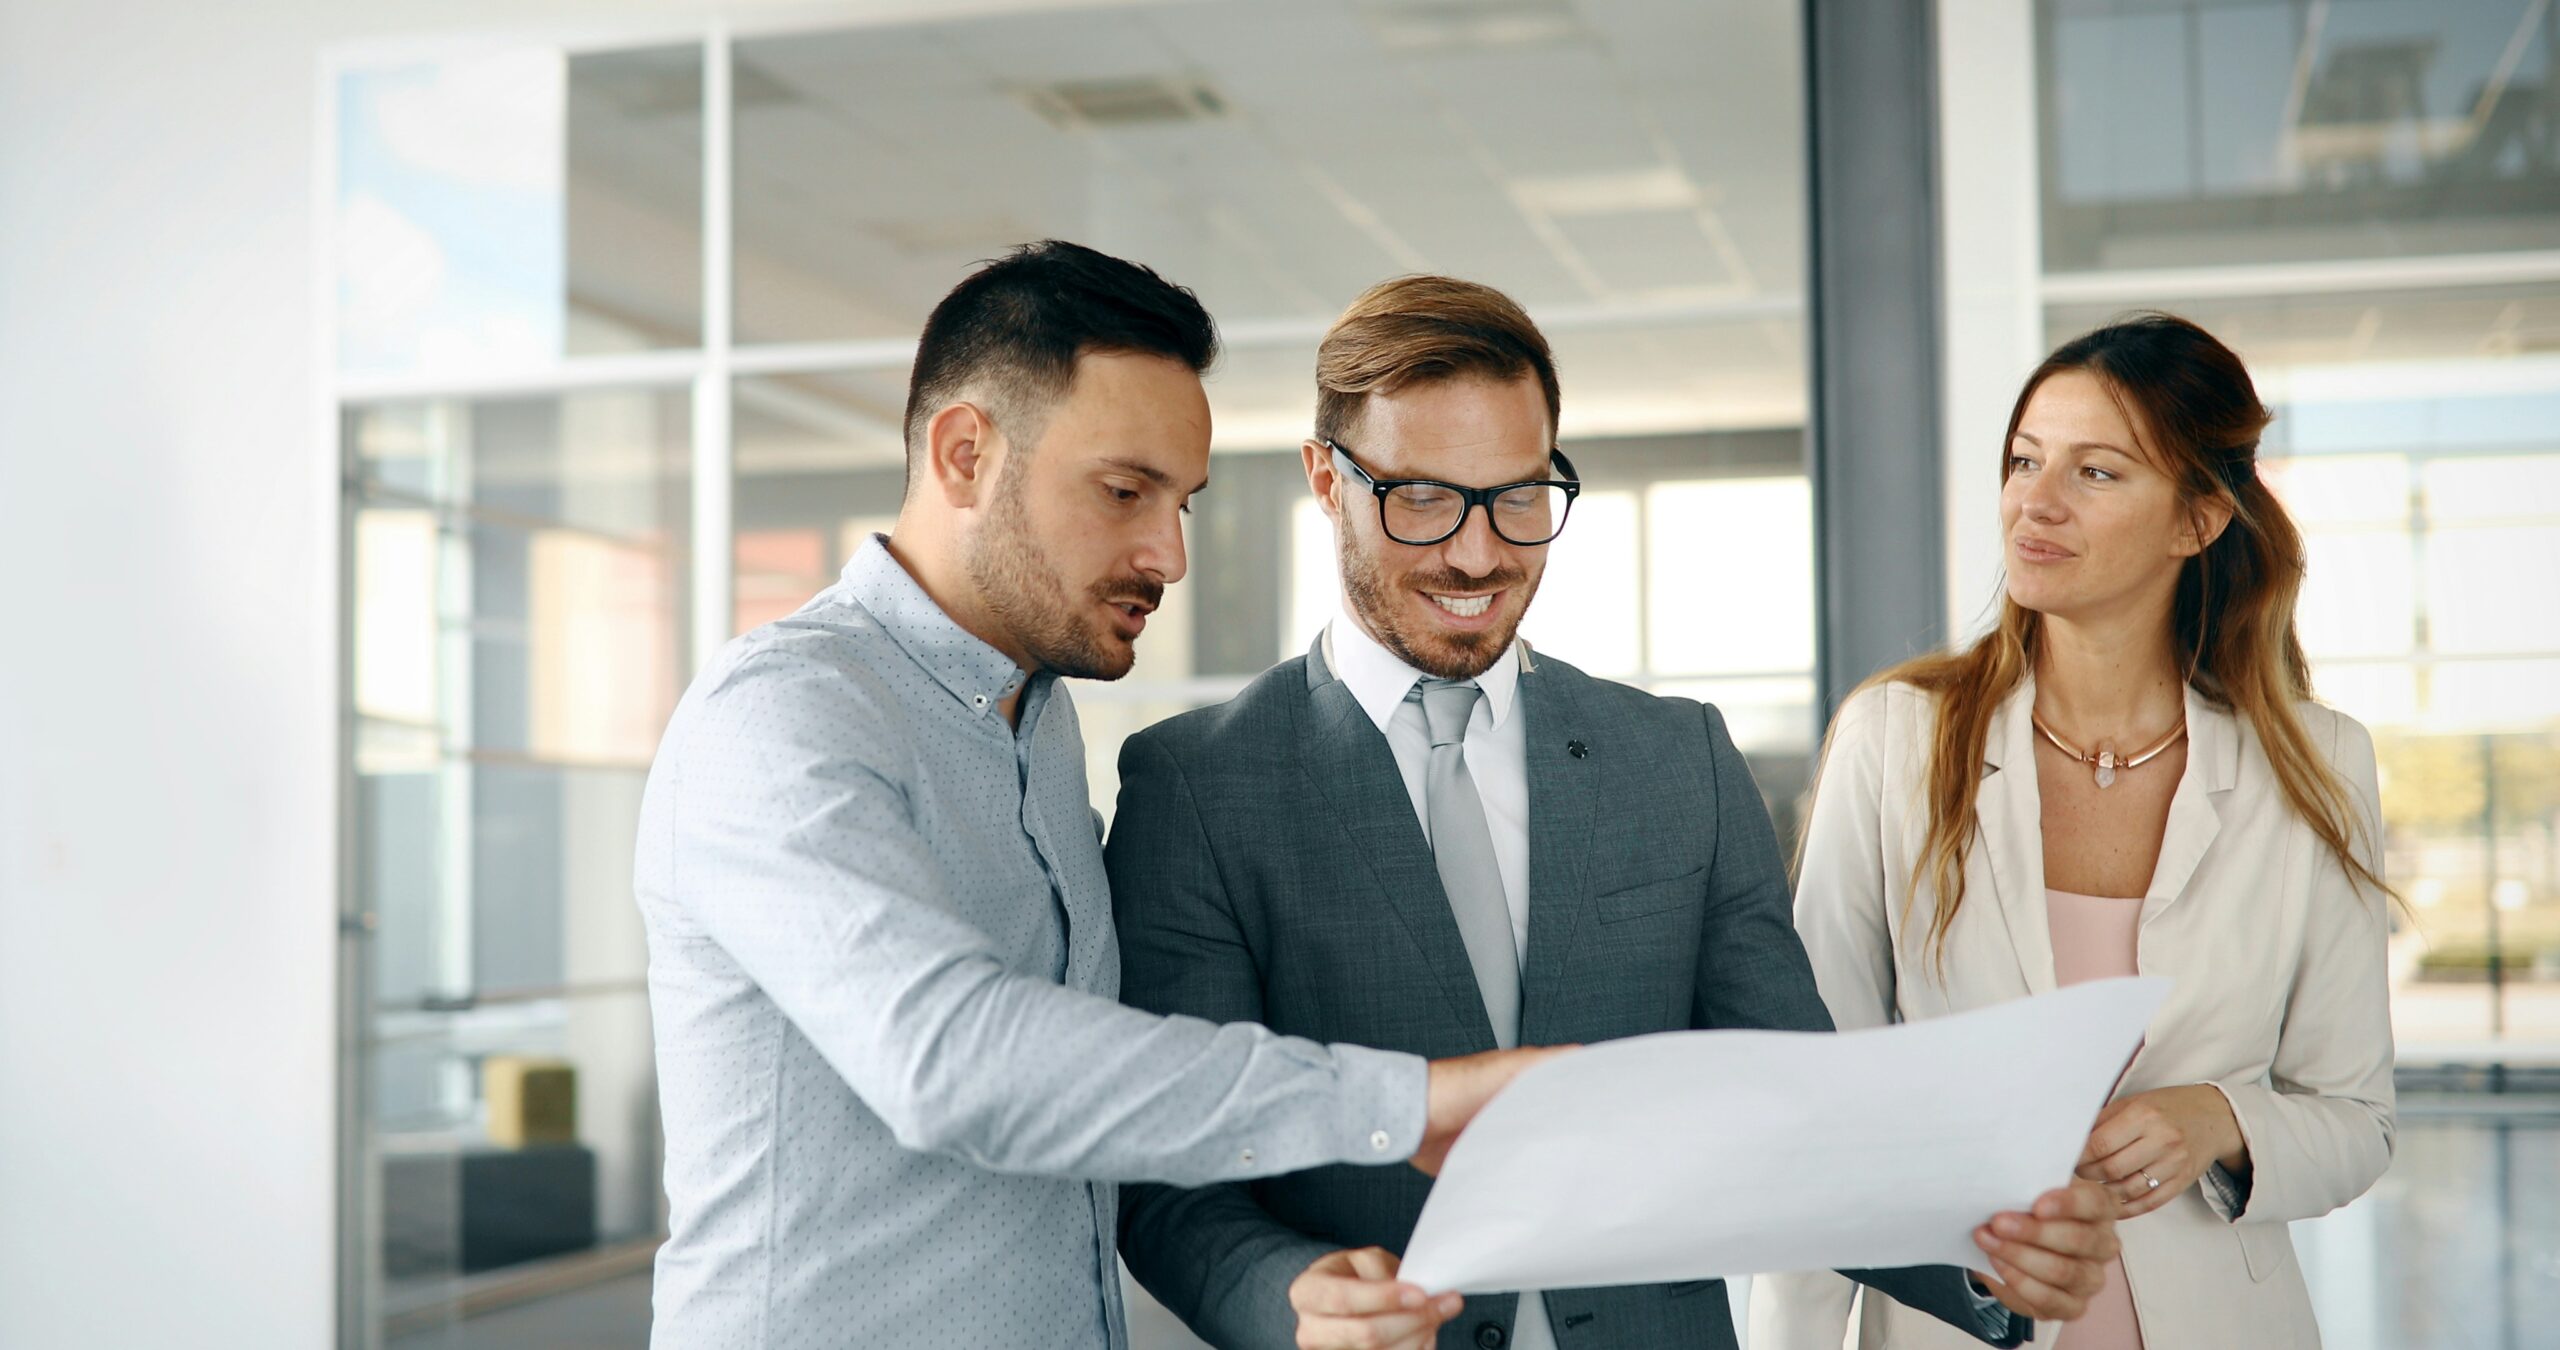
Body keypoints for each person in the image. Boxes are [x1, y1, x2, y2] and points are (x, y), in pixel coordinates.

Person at [1107, 275, 2121, 1350]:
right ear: (1326, 479)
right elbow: (1176, 1183)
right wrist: (1291, 1296)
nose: (1478, 554)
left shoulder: (1676, 760)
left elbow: (1797, 1118)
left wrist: (1983, 1248)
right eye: (1423, 499)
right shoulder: (1199, 787)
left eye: (1518, 496)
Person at [633, 242, 1556, 1350]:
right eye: (1124, 492)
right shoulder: (783, 715)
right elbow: (949, 1059)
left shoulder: (1039, 721)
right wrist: (1402, 1105)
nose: (1168, 555)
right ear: (966, 454)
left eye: (1182, 503)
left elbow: (1100, 1104)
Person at [1753, 313, 2396, 1349]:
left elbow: (2356, 1121)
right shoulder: (1894, 739)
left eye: (2095, 472)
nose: (2035, 502)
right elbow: (1820, 1115)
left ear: (2198, 519)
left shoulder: (2316, 767)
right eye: (2024, 461)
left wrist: (2219, 1120)